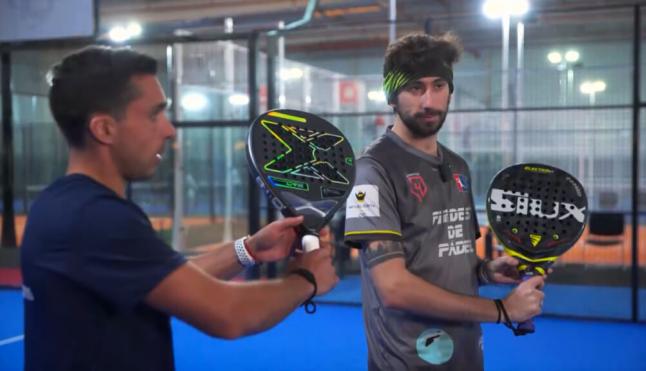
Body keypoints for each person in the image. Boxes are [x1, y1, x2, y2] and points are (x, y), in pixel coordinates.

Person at [20, 46, 338, 371]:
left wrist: (250, 249)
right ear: (104, 129)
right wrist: (305, 280)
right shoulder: (96, 218)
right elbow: (228, 314)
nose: (169, 130)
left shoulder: (59, 203)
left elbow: (162, 279)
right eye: (154, 114)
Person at [343, 32, 545, 370]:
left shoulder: (457, 166)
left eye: (439, 86)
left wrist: (485, 272)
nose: (429, 102)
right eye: (415, 88)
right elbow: (393, 288)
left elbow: (446, 259)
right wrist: (502, 311)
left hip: (466, 354)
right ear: (392, 96)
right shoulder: (373, 169)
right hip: (409, 360)